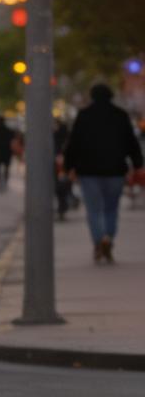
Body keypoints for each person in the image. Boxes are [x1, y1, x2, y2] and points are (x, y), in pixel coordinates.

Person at [61, 82, 143, 263]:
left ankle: (99, 240)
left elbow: (73, 144)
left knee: (93, 209)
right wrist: (137, 164)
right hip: (115, 170)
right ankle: (108, 237)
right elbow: (131, 142)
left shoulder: (84, 115)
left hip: (88, 170)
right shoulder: (120, 115)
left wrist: (69, 167)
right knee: (111, 208)